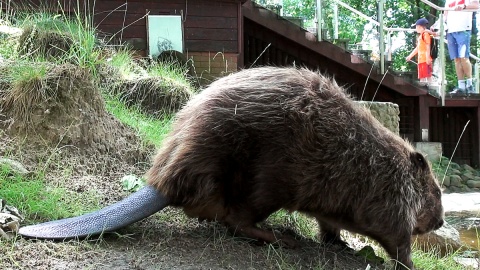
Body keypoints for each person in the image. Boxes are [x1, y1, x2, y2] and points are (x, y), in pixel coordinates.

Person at [435, 0, 480, 94]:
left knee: (464, 57)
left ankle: (470, 85)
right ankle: (461, 86)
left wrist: (463, 6)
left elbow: (476, 5)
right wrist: (437, 26)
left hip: (464, 29)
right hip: (450, 31)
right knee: (456, 59)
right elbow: (444, 15)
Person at [406, 18, 433, 86]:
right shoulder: (420, 36)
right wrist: (410, 56)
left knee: (428, 76)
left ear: (420, 27)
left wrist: (427, 58)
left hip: (425, 59)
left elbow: (428, 46)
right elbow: (417, 48)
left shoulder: (425, 35)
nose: (416, 28)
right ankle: (424, 89)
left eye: (417, 27)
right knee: (422, 77)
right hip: (421, 60)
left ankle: (431, 90)